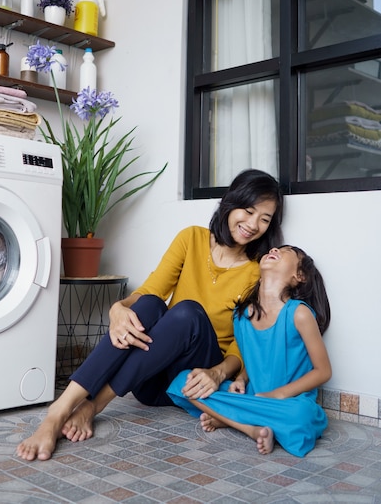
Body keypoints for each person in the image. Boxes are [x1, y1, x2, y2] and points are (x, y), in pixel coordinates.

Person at [16, 168, 284, 461]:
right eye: (248, 211)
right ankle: (58, 411)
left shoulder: (257, 270)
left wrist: (217, 372)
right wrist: (117, 309)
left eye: (264, 219)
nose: (252, 224)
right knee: (151, 304)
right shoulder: (191, 239)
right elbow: (151, 290)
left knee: (187, 313)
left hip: (193, 378)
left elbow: (245, 341)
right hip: (148, 380)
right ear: (231, 204)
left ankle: (93, 406)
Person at [167, 245, 331, 458]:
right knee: (184, 381)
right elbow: (250, 357)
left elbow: (323, 371)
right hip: (253, 396)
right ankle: (251, 428)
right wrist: (241, 379)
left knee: (301, 416)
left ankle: (229, 419)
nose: (274, 249)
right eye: (275, 248)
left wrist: (278, 395)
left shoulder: (298, 313)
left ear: (298, 275)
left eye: (287, 251)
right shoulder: (241, 314)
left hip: (290, 401)